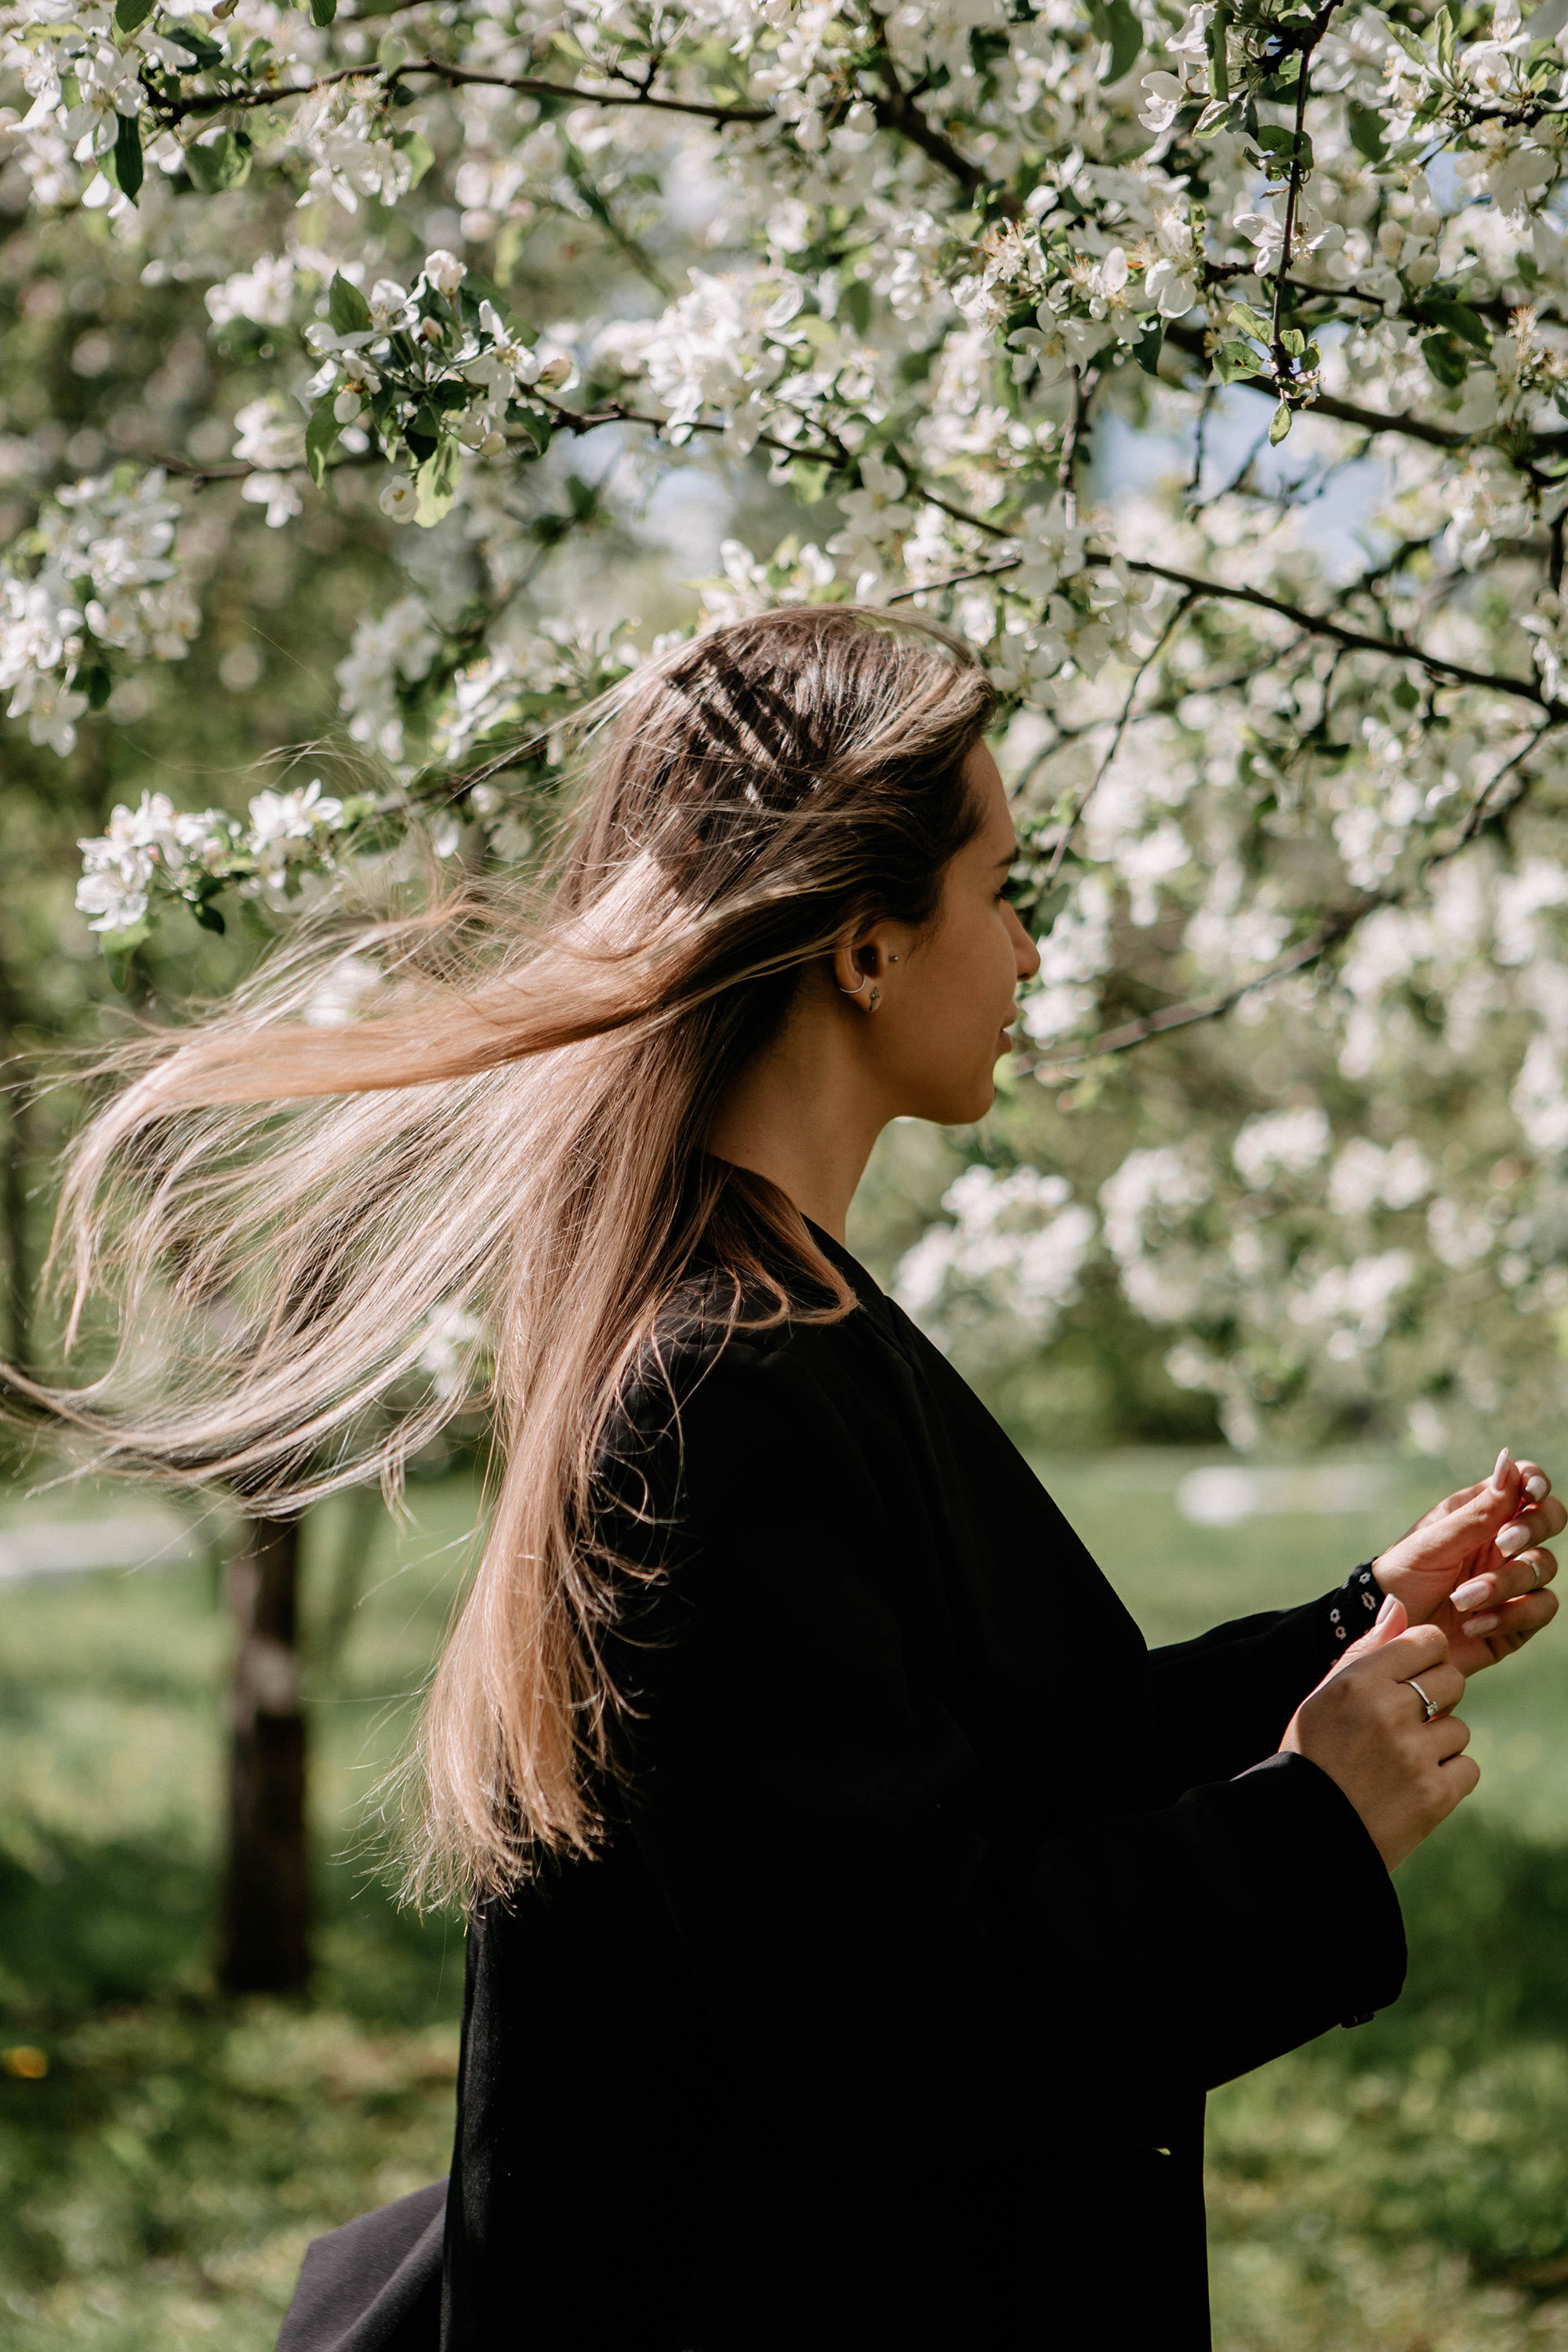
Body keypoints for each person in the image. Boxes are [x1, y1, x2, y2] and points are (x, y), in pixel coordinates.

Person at [25, 610, 1562, 2350]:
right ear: (866, 947)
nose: (1035, 953)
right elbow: (904, 2028)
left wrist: (1354, 1636)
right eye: (1001, 891)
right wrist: (1304, 1831)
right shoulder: (722, 1387)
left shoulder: (790, 1322)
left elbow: (978, 1773)